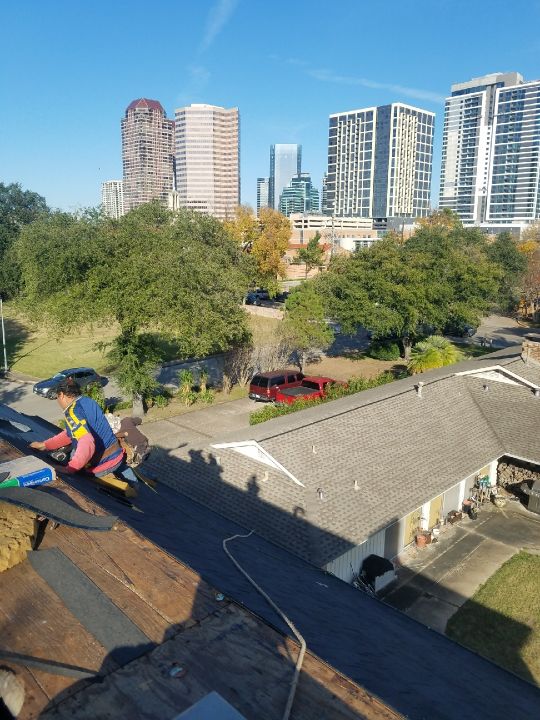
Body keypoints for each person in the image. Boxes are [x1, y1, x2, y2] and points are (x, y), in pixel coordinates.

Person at [29, 379, 139, 487]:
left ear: (62, 395)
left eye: (57, 397)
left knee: (72, 454)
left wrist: (70, 468)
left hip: (102, 464)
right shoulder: (87, 401)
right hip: (117, 455)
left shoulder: (72, 412)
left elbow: (87, 442)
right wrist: (45, 445)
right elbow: (71, 433)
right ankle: (134, 484)